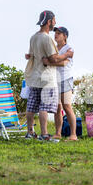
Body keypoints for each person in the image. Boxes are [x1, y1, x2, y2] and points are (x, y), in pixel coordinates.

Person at [24, 10, 73, 142]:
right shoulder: (47, 38)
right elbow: (54, 58)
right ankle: (44, 134)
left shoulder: (33, 37)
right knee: (44, 107)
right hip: (46, 78)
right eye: (54, 20)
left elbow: (31, 55)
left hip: (34, 77)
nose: (55, 23)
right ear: (49, 22)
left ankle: (30, 132)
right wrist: (66, 55)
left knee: (31, 107)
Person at [43, 26, 77, 141]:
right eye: (55, 33)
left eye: (59, 33)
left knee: (67, 106)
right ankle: (58, 133)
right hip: (54, 80)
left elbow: (63, 64)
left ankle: (73, 135)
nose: (55, 35)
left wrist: (51, 62)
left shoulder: (69, 48)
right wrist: (54, 60)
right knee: (57, 108)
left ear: (65, 36)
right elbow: (48, 60)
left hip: (65, 79)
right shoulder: (54, 48)